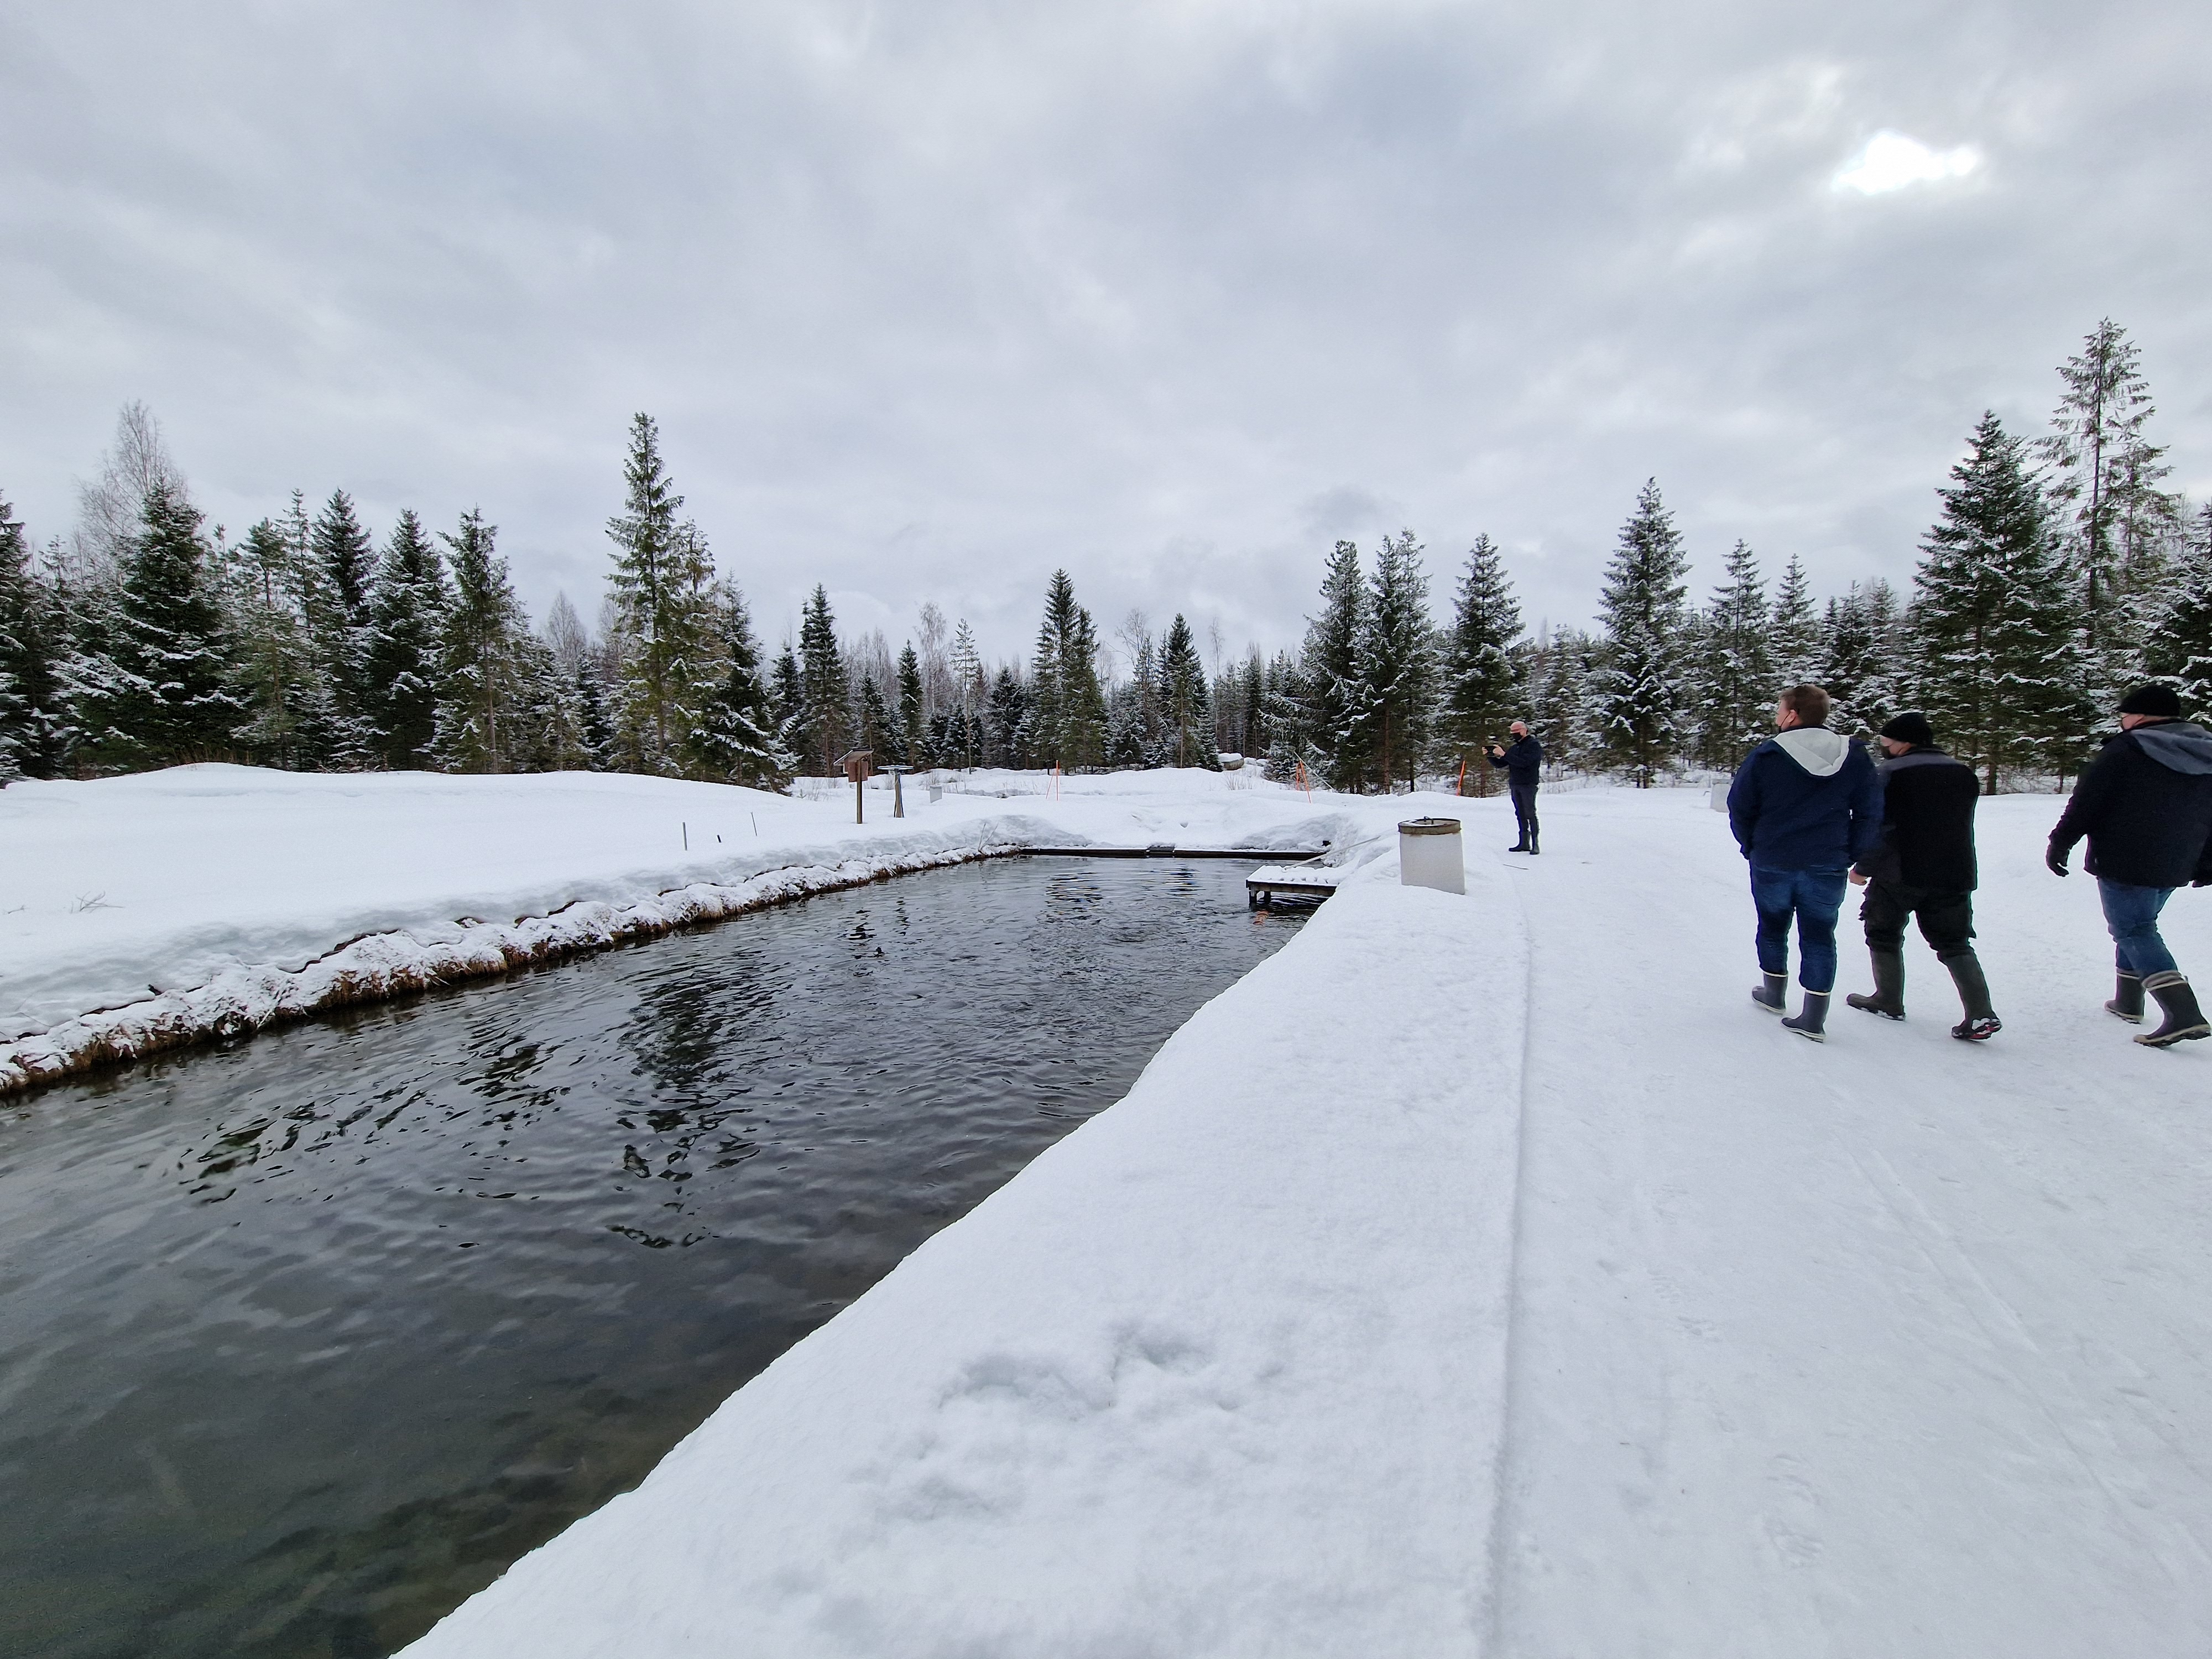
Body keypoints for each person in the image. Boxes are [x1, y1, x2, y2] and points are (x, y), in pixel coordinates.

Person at [2046, 684, 2212, 1047]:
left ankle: (2183, 1012)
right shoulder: (2207, 750)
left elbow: (2088, 800)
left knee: (2134, 929)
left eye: (2124, 715)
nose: (2122, 721)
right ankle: (2128, 1001)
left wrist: (2061, 841)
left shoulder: (2126, 749)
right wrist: (2207, 860)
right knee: (2139, 924)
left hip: (2125, 855)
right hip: (2178, 858)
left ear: (2139, 716)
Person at [1726, 683, 1884, 1042]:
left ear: (1793, 714)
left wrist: (1752, 845)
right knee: (1819, 934)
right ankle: (1813, 1018)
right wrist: (1851, 853)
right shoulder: (1854, 755)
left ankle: (1773, 994)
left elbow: (1740, 806)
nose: (1777, 716)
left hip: (1773, 859)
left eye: (1780, 710)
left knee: (1772, 925)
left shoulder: (1767, 754)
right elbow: (1870, 811)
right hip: (1828, 861)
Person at [1844, 711, 2000, 1040]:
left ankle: (1888, 1000)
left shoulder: (1888, 774)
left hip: (1899, 872)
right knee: (1954, 943)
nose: (1883, 746)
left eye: (1886, 741)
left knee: (1883, 933)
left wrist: (1862, 868)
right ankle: (1980, 1013)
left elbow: (1882, 827)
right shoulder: (1963, 773)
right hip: (1955, 872)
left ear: (1904, 743)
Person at [1485, 721, 1543, 854]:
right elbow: (1502, 764)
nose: (1513, 735)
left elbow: (1524, 763)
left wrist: (1505, 754)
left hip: (1528, 784)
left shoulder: (1533, 746)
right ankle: (1524, 843)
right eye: (1512, 733)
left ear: (1524, 731)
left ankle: (1535, 843)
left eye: (1516, 732)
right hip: (1515, 784)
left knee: (1530, 812)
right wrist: (1490, 755)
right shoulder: (1515, 748)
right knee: (1520, 813)